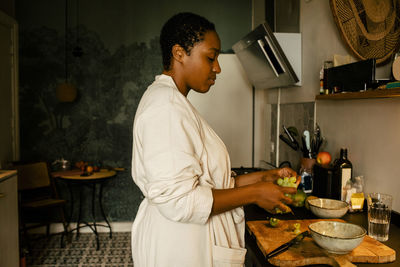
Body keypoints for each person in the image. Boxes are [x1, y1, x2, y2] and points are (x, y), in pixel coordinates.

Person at [131, 12, 299, 267]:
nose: (218, 67)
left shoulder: (174, 103)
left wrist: (263, 178)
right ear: (179, 53)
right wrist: (255, 193)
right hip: (181, 249)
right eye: (211, 57)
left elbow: (207, 182)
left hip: (186, 242)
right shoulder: (165, 108)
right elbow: (179, 200)